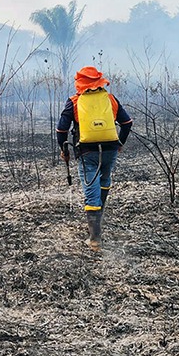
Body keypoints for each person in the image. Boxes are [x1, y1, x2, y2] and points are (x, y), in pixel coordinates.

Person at [56, 66, 132, 251]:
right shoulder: (110, 99)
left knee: (91, 190)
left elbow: (61, 130)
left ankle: (95, 239)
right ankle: (98, 222)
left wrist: (64, 150)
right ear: (99, 81)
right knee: (104, 181)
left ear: (80, 83)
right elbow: (127, 123)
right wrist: (119, 142)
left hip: (86, 152)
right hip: (110, 149)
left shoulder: (74, 101)